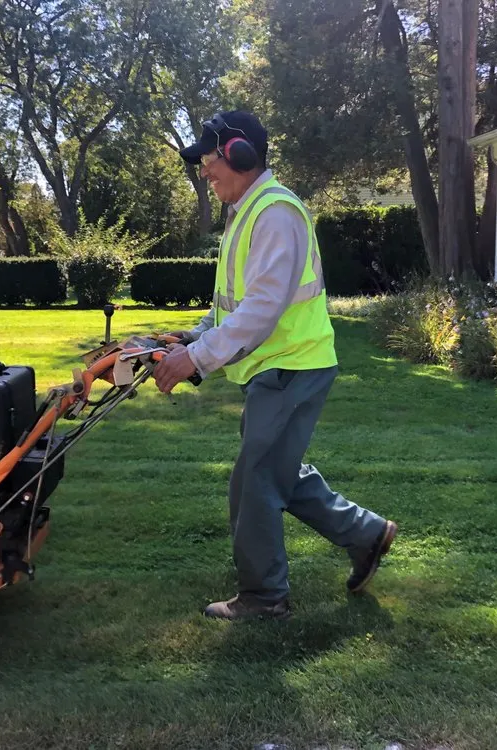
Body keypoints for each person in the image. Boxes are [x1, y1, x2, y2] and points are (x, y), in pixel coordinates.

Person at [152, 111, 397, 621]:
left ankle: (264, 598)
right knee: (277, 472)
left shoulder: (275, 212)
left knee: (255, 482)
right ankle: (367, 534)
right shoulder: (248, 212)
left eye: (210, 159)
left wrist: (196, 359)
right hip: (278, 368)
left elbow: (263, 308)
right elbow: (237, 304)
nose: (204, 170)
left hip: (292, 367)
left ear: (240, 154)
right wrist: (194, 335)